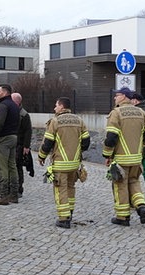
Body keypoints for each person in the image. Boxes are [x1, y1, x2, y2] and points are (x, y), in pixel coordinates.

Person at [103, 87, 145, 226]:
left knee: (120, 185)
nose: (115, 98)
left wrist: (107, 154)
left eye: (117, 95)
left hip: (121, 158)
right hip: (137, 159)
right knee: (134, 182)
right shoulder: (141, 112)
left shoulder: (116, 113)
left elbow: (111, 138)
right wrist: (139, 148)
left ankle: (123, 217)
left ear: (124, 97)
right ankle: (141, 206)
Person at [38, 97, 90, 229]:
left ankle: (63, 219)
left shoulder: (55, 122)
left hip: (60, 163)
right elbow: (86, 142)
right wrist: (77, 151)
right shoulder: (79, 120)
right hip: (74, 163)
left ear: (61, 106)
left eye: (56, 105)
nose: (54, 108)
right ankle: (70, 213)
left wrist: (41, 156)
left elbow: (48, 143)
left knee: (60, 189)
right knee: (71, 187)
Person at [11, 92, 34, 197]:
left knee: (17, 166)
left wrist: (26, 146)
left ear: (16, 102)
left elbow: (28, 131)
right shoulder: (10, 111)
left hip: (19, 145)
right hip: (11, 144)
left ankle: (19, 188)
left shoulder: (24, 115)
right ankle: (11, 188)